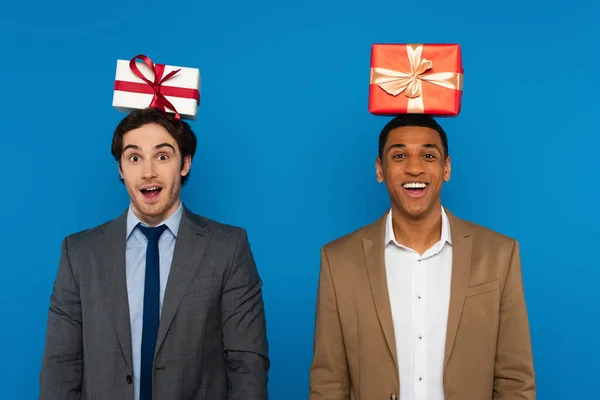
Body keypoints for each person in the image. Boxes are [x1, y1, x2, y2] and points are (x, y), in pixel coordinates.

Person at [39, 108, 269, 400]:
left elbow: (248, 365)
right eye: (134, 158)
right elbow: (60, 368)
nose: (148, 171)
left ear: (184, 163)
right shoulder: (79, 253)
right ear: (121, 169)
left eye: (162, 156)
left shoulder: (229, 247)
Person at [309, 115, 535, 399]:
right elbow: (329, 383)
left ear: (446, 168)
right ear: (380, 169)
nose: (414, 168)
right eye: (400, 155)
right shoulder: (338, 260)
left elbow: (515, 381)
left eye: (428, 155)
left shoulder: (500, 254)